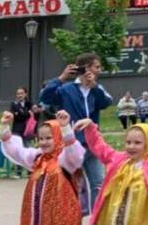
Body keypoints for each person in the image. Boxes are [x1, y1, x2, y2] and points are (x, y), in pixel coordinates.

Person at [40, 53, 114, 203]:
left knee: (99, 184)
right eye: (97, 67)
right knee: (69, 184)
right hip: (72, 144)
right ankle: (67, 218)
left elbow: (107, 102)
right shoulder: (66, 89)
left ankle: (96, 222)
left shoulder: (96, 89)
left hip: (92, 144)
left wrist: (94, 87)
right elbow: (45, 97)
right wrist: (61, 78)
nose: (100, 70)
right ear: (86, 68)